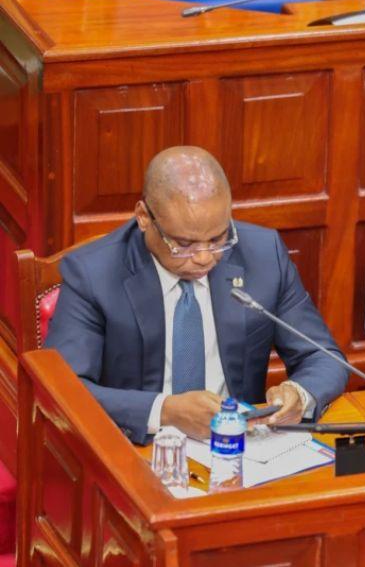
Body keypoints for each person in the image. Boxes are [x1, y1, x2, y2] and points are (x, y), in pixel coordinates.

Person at [45, 146, 349, 443]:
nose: (205, 257)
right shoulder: (93, 273)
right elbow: (64, 389)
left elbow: (323, 357)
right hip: (137, 449)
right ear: (144, 217)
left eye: (218, 238)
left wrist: (299, 392)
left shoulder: (263, 255)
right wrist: (165, 411)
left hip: (240, 448)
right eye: (184, 243)